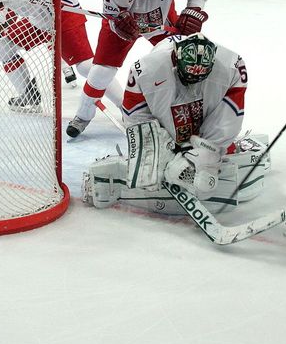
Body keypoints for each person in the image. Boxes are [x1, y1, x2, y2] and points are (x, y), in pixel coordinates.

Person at [83, 32, 269, 212]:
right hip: (164, 115)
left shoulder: (231, 66)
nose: (193, 81)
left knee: (207, 163)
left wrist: (208, 151)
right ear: (176, 59)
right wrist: (164, 155)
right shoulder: (145, 71)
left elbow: (229, 115)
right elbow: (137, 120)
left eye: (199, 76)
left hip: (202, 115)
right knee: (148, 173)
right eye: (188, 75)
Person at [66, 0, 208, 138]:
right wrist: (120, 28)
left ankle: (184, 114)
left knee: (182, 63)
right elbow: (113, 19)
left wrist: (193, 12)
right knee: (100, 73)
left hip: (161, 22)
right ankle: (83, 115)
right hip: (124, 24)